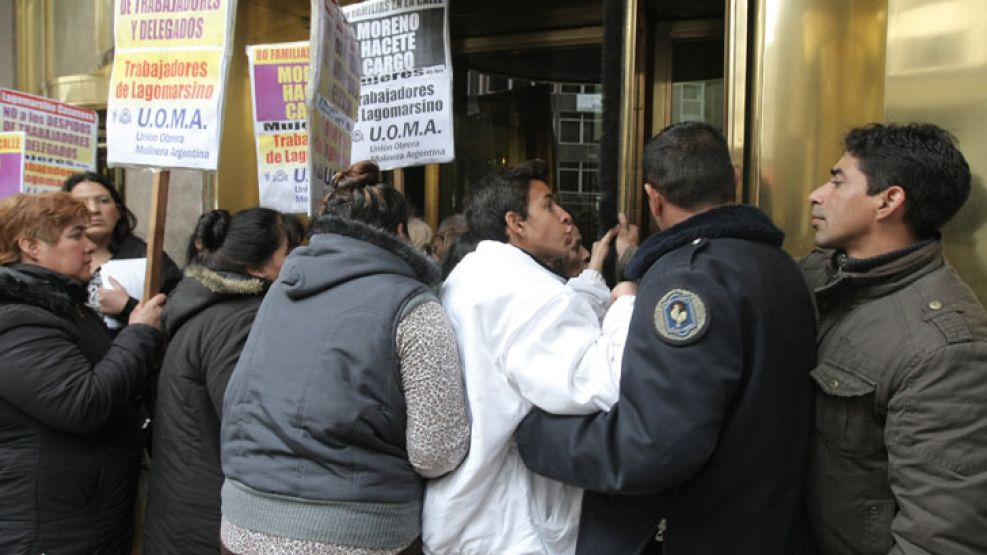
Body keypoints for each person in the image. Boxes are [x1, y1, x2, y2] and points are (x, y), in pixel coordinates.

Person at [514, 122, 817, 554]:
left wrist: (535, 434)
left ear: (653, 197)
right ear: (732, 178)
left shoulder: (686, 282)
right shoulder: (779, 265)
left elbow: (653, 445)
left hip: (705, 531)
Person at [219, 161, 470, 555]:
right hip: (355, 532)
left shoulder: (280, 290)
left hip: (241, 524)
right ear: (402, 233)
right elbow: (436, 453)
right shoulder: (414, 307)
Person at [422, 159, 635, 555]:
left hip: (472, 519)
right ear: (516, 223)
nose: (565, 215)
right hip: (511, 530)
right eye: (550, 206)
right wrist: (624, 302)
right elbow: (604, 385)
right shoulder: (526, 294)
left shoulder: (472, 276)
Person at [800, 123, 987, 554]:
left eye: (837, 180)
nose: (816, 193)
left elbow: (940, 539)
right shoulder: (824, 274)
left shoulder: (944, 351)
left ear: (888, 201)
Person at [0, 192, 165, 553]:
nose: (90, 246)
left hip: (84, 515)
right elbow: (82, 403)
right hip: (49, 529)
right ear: (30, 245)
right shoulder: (18, 319)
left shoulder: (64, 305)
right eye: (76, 235)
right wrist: (138, 333)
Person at [142, 208, 300, 555]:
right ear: (258, 268)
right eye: (288, 251)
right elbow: (252, 425)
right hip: (212, 519)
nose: (298, 260)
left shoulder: (203, 304)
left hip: (185, 510)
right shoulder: (244, 320)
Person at [63, 172, 182, 324]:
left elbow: (178, 316)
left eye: (103, 201)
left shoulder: (147, 257)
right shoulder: (56, 259)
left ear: (118, 211)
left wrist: (128, 307)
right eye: (81, 203)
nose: (93, 209)